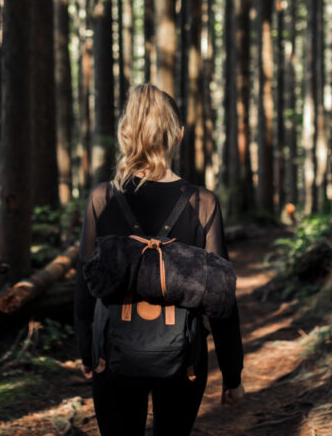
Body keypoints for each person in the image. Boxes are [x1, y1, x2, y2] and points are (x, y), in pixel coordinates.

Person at [74, 84, 246, 435]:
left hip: (113, 355)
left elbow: (84, 285)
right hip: (184, 359)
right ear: (178, 135)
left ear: (126, 133)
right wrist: (233, 373)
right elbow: (221, 297)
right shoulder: (203, 203)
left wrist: (86, 353)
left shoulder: (101, 199)